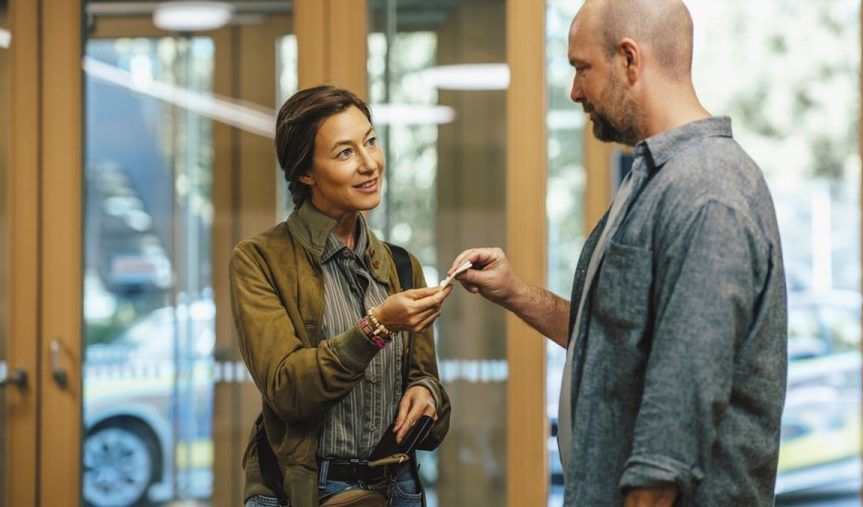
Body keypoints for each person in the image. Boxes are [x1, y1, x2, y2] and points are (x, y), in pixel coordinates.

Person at [450, 0, 787, 505]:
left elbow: (678, 408)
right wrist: (516, 293)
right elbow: (614, 341)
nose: (574, 90)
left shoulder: (707, 191)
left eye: (582, 68)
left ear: (630, 60)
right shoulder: (652, 180)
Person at [230, 85, 452, 507]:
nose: (370, 164)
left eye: (370, 141)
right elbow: (288, 390)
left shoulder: (402, 265)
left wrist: (426, 393)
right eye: (345, 153)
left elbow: (426, 379)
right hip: (308, 489)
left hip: (397, 486)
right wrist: (377, 325)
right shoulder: (258, 260)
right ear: (305, 172)